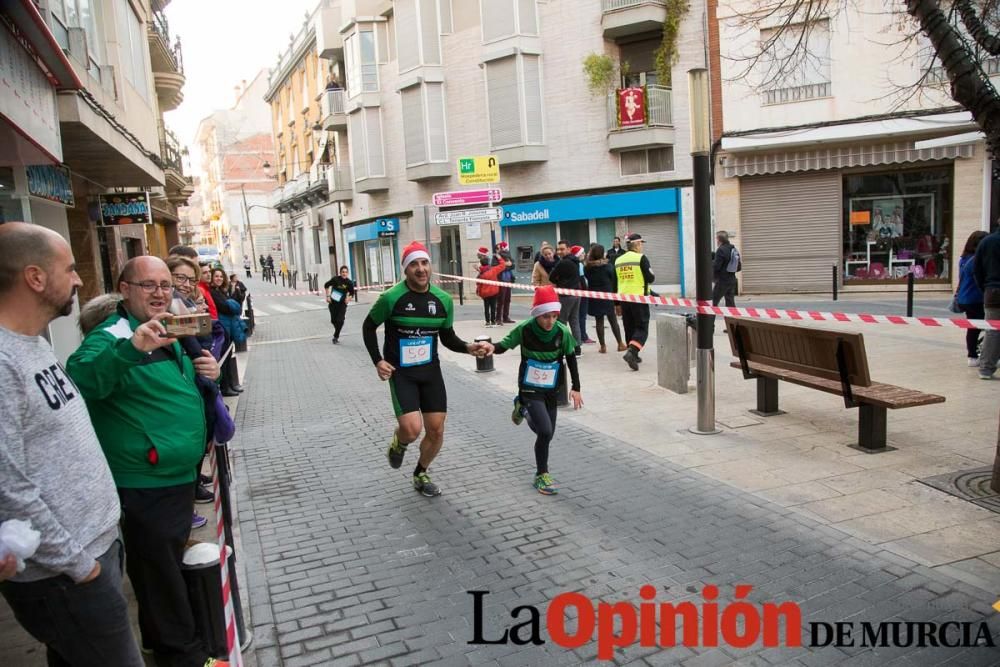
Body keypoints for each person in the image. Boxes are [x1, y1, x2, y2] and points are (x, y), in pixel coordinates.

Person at [66, 256, 226, 667]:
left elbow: (170, 389)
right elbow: (82, 378)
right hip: (145, 480)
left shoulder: (165, 329)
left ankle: (160, 642)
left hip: (174, 475)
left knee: (163, 568)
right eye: (148, 285)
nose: (160, 293)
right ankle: (185, 657)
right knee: (162, 578)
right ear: (124, 289)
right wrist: (132, 348)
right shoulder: (114, 335)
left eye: (165, 284)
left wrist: (200, 369)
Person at [0, 223, 144, 666]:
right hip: (67, 573)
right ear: (35, 278)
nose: (80, 279)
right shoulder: (4, 363)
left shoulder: (34, 344)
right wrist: (79, 565)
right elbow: (9, 486)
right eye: (70, 268)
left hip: (90, 552)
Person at [362, 242, 493, 497]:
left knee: (436, 430)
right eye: (414, 264)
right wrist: (378, 360)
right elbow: (368, 327)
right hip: (403, 374)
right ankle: (399, 443)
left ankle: (421, 472)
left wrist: (469, 347)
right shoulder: (391, 298)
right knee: (412, 429)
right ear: (406, 269)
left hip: (430, 372)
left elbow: (447, 337)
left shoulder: (443, 300)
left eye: (424, 263)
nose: (421, 269)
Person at [494, 285, 583, 495]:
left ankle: (522, 411)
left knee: (548, 433)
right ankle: (541, 474)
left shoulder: (562, 331)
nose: (550, 321)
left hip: (551, 389)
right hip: (530, 387)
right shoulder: (525, 329)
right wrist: (489, 348)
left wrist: (576, 387)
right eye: (545, 317)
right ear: (536, 315)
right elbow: (504, 345)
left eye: (554, 316)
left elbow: (571, 358)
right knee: (544, 430)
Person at [613, 232, 655, 371]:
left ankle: (633, 354)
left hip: (624, 299)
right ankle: (632, 351)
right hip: (638, 298)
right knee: (642, 327)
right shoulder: (641, 258)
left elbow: (615, 282)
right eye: (641, 243)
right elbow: (650, 278)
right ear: (636, 244)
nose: (642, 246)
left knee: (629, 326)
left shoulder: (618, 260)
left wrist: (617, 304)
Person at [207, 268, 243, 396]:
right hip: (221, 327)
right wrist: (232, 305)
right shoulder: (213, 292)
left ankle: (231, 384)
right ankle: (226, 387)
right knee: (224, 358)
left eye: (221, 276)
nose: (219, 278)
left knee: (228, 357)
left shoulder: (220, 291)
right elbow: (226, 307)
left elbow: (235, 304)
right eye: (216, 276)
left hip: (226, 328)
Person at [584, 244, 626, 353]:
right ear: (603, 253)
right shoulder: (608, 266)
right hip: (607, 296)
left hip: (595, 297)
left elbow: (587, 277)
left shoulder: (587, 267)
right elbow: (613, 280)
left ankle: (603, 346)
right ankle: (620, 343)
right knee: (613, 320)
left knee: (599, 321)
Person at [973, 224, 1000, 380]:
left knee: (992, 330)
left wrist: (985, 287)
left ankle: (986, 368)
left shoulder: (987, 242)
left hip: (992, 291)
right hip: (992, 288)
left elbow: (977, 269)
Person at [957, 231, 988, 367]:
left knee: (973, 327)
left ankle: (972, 355)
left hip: (964, 297)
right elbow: (980, 279)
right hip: (975, 298)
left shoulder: (964, 258)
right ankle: (979, 354)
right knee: (986, 326)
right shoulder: (976, 259)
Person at [548, 240, 583, 355]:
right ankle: (577, 348)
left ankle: (563, 348)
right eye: (558, 249)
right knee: (574, 320)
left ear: (568, 249)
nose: (560, 252)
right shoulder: (576, 260)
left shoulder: (563, 262)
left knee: (561, 322)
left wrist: (560, 281)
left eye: (562, 249)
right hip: (576, 294)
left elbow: (552, 277)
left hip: (566, 295)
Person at [324, 265, 357, 344]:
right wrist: (328, 296)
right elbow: (326, 285)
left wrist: (348, 299)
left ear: (347, 273)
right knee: (333, 321)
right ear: (340, 273)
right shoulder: (335, 279)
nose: (344, 274)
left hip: (342, 304)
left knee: (340, 321)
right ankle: (337, 330)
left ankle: (336, 336)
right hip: (333, 303)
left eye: (346, 272)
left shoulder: (349, 282)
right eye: (343, 272)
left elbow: (352, 293)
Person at [712, 230, 741, 307]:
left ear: (719, 239)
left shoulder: (721, 250)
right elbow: (738, 267)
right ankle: (733, 319)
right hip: (732, 280)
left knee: (712, 302)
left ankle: (709, 319)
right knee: (730, 303)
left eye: (717, 239)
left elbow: (716, 266)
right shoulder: (733, 249)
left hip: (722, 281)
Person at [476, 246, 503, 327]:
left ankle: (487, 321)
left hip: (485, 292)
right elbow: (502, 265)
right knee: (493, 306)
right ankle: (493, 321)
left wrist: (479, 291)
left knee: (486, 307)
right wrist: (500, 258)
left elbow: (478, 283)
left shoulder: (481, 273)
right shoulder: (493, 270)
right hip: (494, 291)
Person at [492, 241, 516, 324]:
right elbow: (496, 268)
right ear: (496, 249)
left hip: (508, 280)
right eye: (499, 248)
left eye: (502, 247)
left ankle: (506, 317)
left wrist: (506, 265)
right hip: (500, 281)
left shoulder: (508, 255)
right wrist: (506, 265)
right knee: (500, 300)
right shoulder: (495, 257)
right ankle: (498, 318)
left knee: (507, 299)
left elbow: (513, 265)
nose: (501, 249)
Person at [576, 245, 595, 344]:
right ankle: (583, 336)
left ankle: (581, 335)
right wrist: (587, 292)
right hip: (582, 293)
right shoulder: (579, 265)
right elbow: (582, 280)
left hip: (579, 293)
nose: (584, 254)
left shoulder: (579, 264)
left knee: (579, 316)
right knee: (582, 316)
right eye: (582, 253)